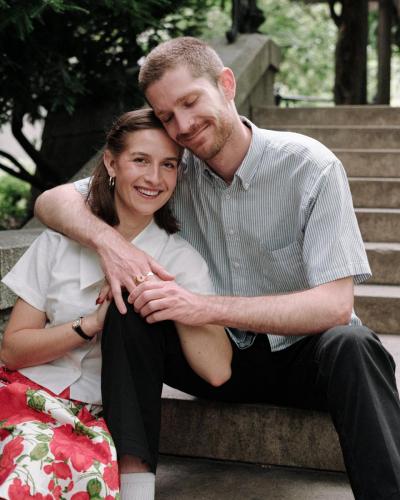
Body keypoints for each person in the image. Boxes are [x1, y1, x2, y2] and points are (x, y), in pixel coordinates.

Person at [35, 37, 400, 500]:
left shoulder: (311, 167)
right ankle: (134, 490)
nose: (182, 126)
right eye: (167, 116)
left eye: (190, 102)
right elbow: (51, 201)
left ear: (226, 84)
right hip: (216, 360)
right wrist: (112, 246)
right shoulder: (173, 173)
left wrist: (200, 306)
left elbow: (334, 305)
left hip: (307, 359)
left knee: (355, 343)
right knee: (130, 304)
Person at [1, 108, 232, 500]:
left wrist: (166, 300)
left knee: (30, 471)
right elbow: (12, 349)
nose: (154, 178)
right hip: (20, 396)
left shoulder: (181, 263)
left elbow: (216, 371)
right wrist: (89, 325)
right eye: (140, 160)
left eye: (168, 165)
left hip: (93, 419)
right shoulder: (58, 242)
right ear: (111, 162)